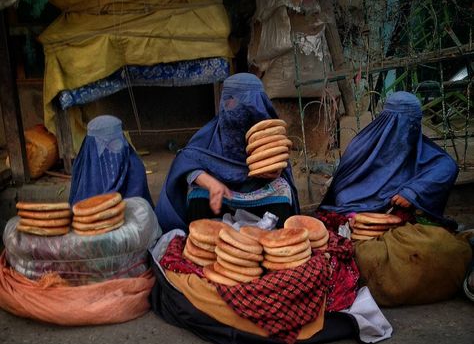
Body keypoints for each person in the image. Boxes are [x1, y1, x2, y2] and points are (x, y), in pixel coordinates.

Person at [156, 73, 300, 233]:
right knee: (197, 194)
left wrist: (276, 170)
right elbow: (186, 160)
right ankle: (205, 237)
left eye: (234, 99)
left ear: (256, 102)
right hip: (221, 195)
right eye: (226, 98)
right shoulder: (211, 134)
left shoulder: (269, 131)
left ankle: (272, 240)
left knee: (283, 191)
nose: (227, 104)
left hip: (260, 193)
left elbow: (282, 165)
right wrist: (211, 183)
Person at [320, 91, 458, 223]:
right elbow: (343, 184)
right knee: (344, 198)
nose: (410, 128)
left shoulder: (420, 146)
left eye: (414, 122)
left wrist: (413, 191)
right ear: (387, 120)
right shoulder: (363, 143)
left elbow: (448, 167)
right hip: (363, 202)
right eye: (404, 122)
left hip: (398, 207)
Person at [69, 115, 153, 206]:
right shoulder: (83, 169)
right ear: (92, 145)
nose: (116, 148)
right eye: (108, 144)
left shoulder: (135, 168)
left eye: (117, 142)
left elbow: (140, 208)